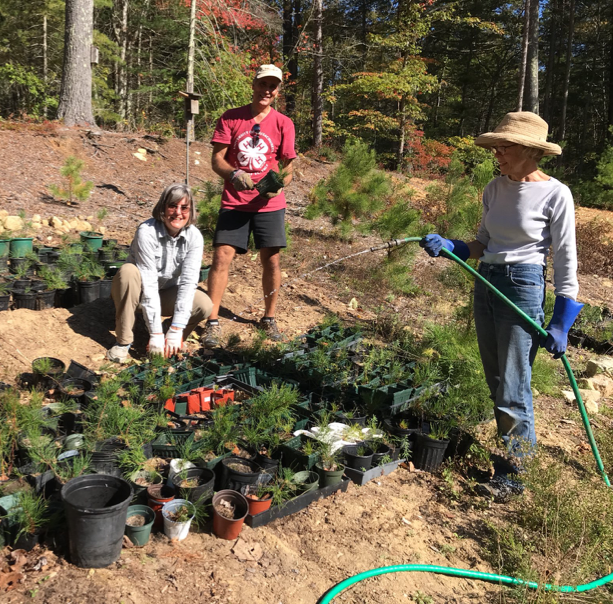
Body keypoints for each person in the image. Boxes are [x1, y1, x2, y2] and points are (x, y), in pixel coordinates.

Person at [420, 111, 583, 501]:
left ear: (529, 150)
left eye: (505, 146)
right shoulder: (494, 188)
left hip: (523, 288)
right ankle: (514, 457)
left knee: (513, 385)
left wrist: (562, 321)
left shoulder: (556, 194)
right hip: (486, 284)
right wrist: (451, 248)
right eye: (497, 146)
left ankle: (517, 472)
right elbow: (482, 244)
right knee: (498, 379)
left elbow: (565, 258)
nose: (498, 153)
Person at [203, 64, 297, 347]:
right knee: (221, 257)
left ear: (277, 91)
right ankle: (212, 320)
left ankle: (268, 318)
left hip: (269, 205)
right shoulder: (231, 118)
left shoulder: (284, 123)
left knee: (272, 260)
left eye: (273, 86)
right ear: (253, 85)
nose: (267, 90)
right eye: (263, 84)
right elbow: (216, 160)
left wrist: (279, 185)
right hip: (234, 202)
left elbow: (289, 167)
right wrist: (233, 173)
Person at [107, 183, 213, 363]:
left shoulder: (194, 237)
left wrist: (177, 328)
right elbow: (148, 283)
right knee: (128, 272)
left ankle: (170, 339)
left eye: (184, 207)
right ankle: (123, 341)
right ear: (163, 208)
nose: (178, 213)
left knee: (204, 304)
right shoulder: (147, 232)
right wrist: (155, 332)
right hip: (138, 293)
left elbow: (188, 283)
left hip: (165, 293)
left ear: (191, 211)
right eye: (172, 206)